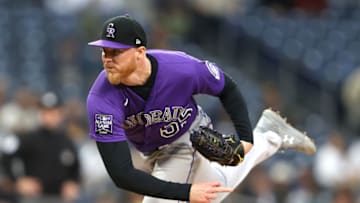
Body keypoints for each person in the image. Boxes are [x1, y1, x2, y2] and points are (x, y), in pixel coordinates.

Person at [86, 14, 316, 203]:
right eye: (104, 51)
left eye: (116, 51)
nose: (107, 58)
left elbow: (227, 87)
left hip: (188, 137)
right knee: (217, 188)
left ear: (139, 53)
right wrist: (187, 193)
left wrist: (245, 138)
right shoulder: (101, 99)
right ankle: (271, 135)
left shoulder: (179, 68)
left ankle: (263, 137)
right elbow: (121, 174)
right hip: (152, 151)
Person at [1, 92, 81, 203]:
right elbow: (6, 156)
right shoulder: (28, 138)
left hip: (60, 198)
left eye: (53, 111)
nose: (49, 115)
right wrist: (17, 180)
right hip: (33, 198)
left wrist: (73, 183)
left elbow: (75, 167)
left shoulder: (67, 141)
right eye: (45, 111)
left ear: (61, 113)